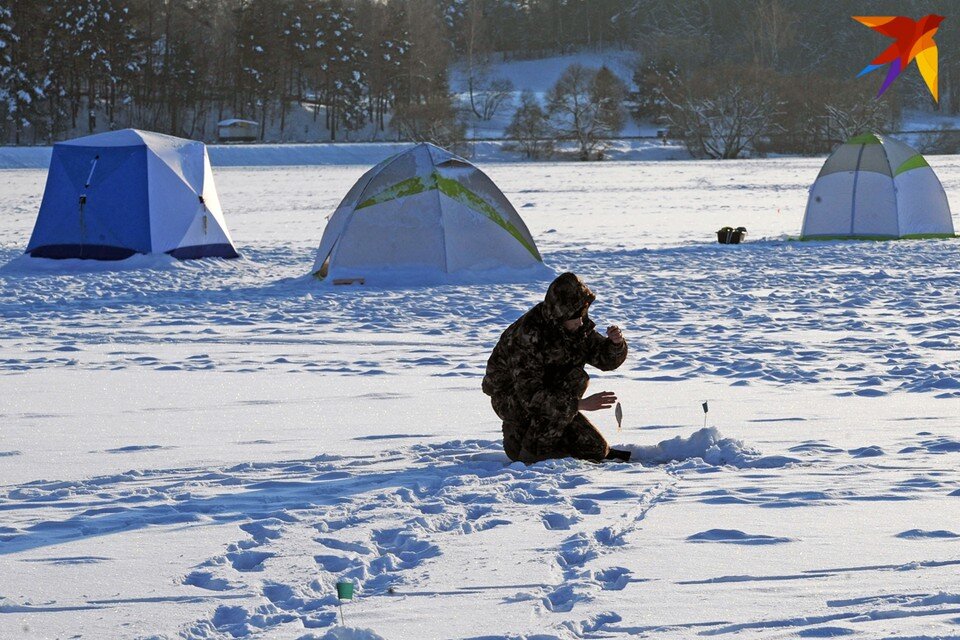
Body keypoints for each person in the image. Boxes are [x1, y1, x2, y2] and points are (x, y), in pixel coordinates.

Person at [482, 272, 631, 464]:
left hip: (551, 393)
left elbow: (604, 359)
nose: (581, 320)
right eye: (575, 315)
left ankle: (536, 439)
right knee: (573, 381)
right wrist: (579, 405)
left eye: (582, 313)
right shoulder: (528, 336)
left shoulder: (575, 326)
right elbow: (531, 396)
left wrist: (615, 344)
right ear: (560, 313)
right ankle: (528, 450)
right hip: (513, 399)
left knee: (596, 449)